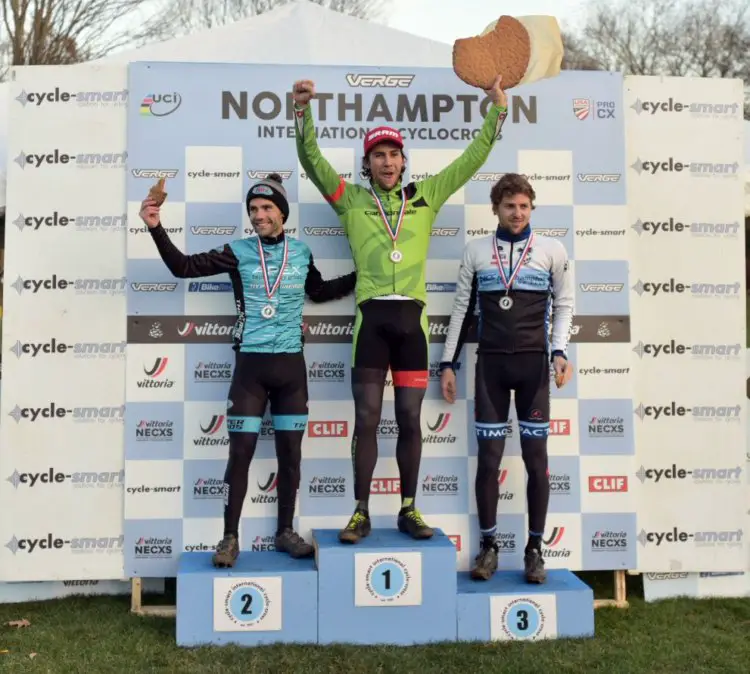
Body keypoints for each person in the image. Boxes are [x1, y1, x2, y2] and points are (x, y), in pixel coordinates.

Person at [291, 76, 509, 544]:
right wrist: (303, 114)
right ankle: (360, 512)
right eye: (378, 156)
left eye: (393, 155)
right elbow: (311, 161)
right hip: (371, 323)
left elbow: (470, 161)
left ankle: (409, 508)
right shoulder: (350, 199)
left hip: (412, 324)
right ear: (366, 164)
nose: (387, 163)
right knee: (367, 418)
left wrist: (496, 112)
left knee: (410, 419)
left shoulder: (426, 196)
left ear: (403, 160)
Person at [138, 173, 357, 568]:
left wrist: (368, 275)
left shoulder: (302, 252)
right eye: (253, 209)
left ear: (282, 213)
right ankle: (229, 538)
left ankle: (285, 531)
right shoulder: (237, 250)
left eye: (267, 208)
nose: (259, 215)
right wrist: (156, 228)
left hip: (291, 368)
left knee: (291, 456)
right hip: (250, 370)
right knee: (240, 454)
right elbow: (183, 267)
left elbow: (320, 292)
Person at [438, 173, 574, 584]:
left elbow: (565, 304)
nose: (517, 213)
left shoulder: (551, 249)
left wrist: (560, 351)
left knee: (537, 461)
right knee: (489, 461)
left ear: (532, 208)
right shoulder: (477, 251)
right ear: (495, 208)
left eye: (524, 206)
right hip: (491, 368)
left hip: (534, 368)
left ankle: (534, 550)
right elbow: (462, 311)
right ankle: (489, 547)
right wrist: (448, 364)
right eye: (509, 206)